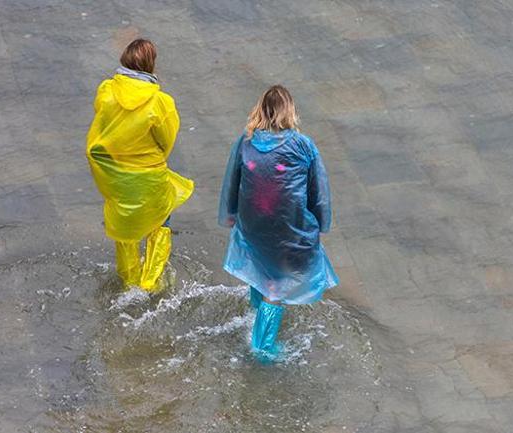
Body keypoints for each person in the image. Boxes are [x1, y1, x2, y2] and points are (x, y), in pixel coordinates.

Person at [218, 85, 339, 360]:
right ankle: (262, 349)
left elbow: (233, 181)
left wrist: (230, 214)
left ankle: (255, 310)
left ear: (260, 110)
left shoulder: (246, 142)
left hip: (253, 224)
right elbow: (317, 190)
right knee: (278, 284)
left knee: (260, 264)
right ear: (290, 112)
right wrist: (321, 224)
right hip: (287, 227)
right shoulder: (303, 145)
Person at [86, 39, 193, 293]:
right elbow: (167, 141)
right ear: (151, 64)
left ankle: (128, 281)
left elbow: (104, 124)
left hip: (115, 176)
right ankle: (151, 283)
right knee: (160, 222)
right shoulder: (161, 103)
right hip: (148, 176)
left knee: (125, 227)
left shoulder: (106, 91)